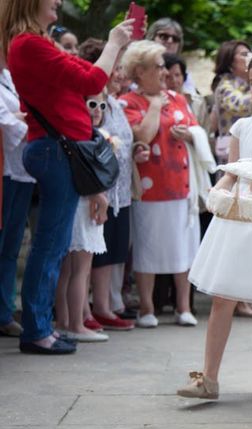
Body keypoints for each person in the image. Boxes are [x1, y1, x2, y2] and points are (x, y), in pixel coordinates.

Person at [1, 0, 132, 354]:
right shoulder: (29, 44)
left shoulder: (33, 43)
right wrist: (115, 42)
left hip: (55, 151)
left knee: (52, 244)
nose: (58, 1)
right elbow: (92, 80)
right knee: (50, 245)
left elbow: (90, 75)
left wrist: (116, 45)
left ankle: (41, 326)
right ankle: (37, 331)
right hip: (55, 152)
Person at [177, 46, 252, 402]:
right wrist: (217, 191)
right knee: (222, 298)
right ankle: (209, 377)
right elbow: (232, 172)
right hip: (237, 217)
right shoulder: (243, 127)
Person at [119, 40, 200, 328]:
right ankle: (147, 308)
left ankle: (183, 306)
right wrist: (154, 106)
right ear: (139, 71)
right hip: (150, 189)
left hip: (180, 184)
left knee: (183, 247)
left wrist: (189, 135)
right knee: (148, 248)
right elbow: (142, 135)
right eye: (158, 67)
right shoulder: (128, 102)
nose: (165, 72)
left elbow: (196, 131)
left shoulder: (177, 98)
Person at [78, 38, 144, 331]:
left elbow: (122, 140)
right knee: (94, 253)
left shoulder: (114, 102)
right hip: (100, 187)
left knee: (114, 250)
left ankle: (105, 305)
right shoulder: (91, 98)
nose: (120, 74)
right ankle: (93, 308)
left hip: (120, 190)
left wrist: (135, 149)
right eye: (115, 67)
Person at [54, 93, 110, 342]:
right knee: (80, 269)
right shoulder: (85, 137)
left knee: (67, 268)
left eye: (102, 105)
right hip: (86, 203)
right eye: (92, 104)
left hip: (74, 202)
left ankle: (65, 322)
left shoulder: (71, 135)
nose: (97, 110)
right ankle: (76, 324)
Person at [209, 40, 252, 318]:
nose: (248, 56)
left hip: (251, 158)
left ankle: (246, 295)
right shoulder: (225, 84)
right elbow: (238, 105)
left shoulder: (248, 82)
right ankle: (236, 298)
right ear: (230, 60)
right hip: (231, 161)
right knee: (236, 230)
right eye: (243, 53)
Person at [0, 53, 34, 338]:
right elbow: (11, 125)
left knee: (11, 247)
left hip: (22, 170)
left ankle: (4, 312)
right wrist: (21, 119)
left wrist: (20, 118)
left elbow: (26, 115)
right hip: (5, 171)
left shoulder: (10, 77)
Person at [146, 18, 196, 97]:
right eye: (164, 36)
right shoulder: (141, 66)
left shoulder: (183, 73)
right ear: (152, 38)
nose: (170, 41)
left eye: (175, 39)